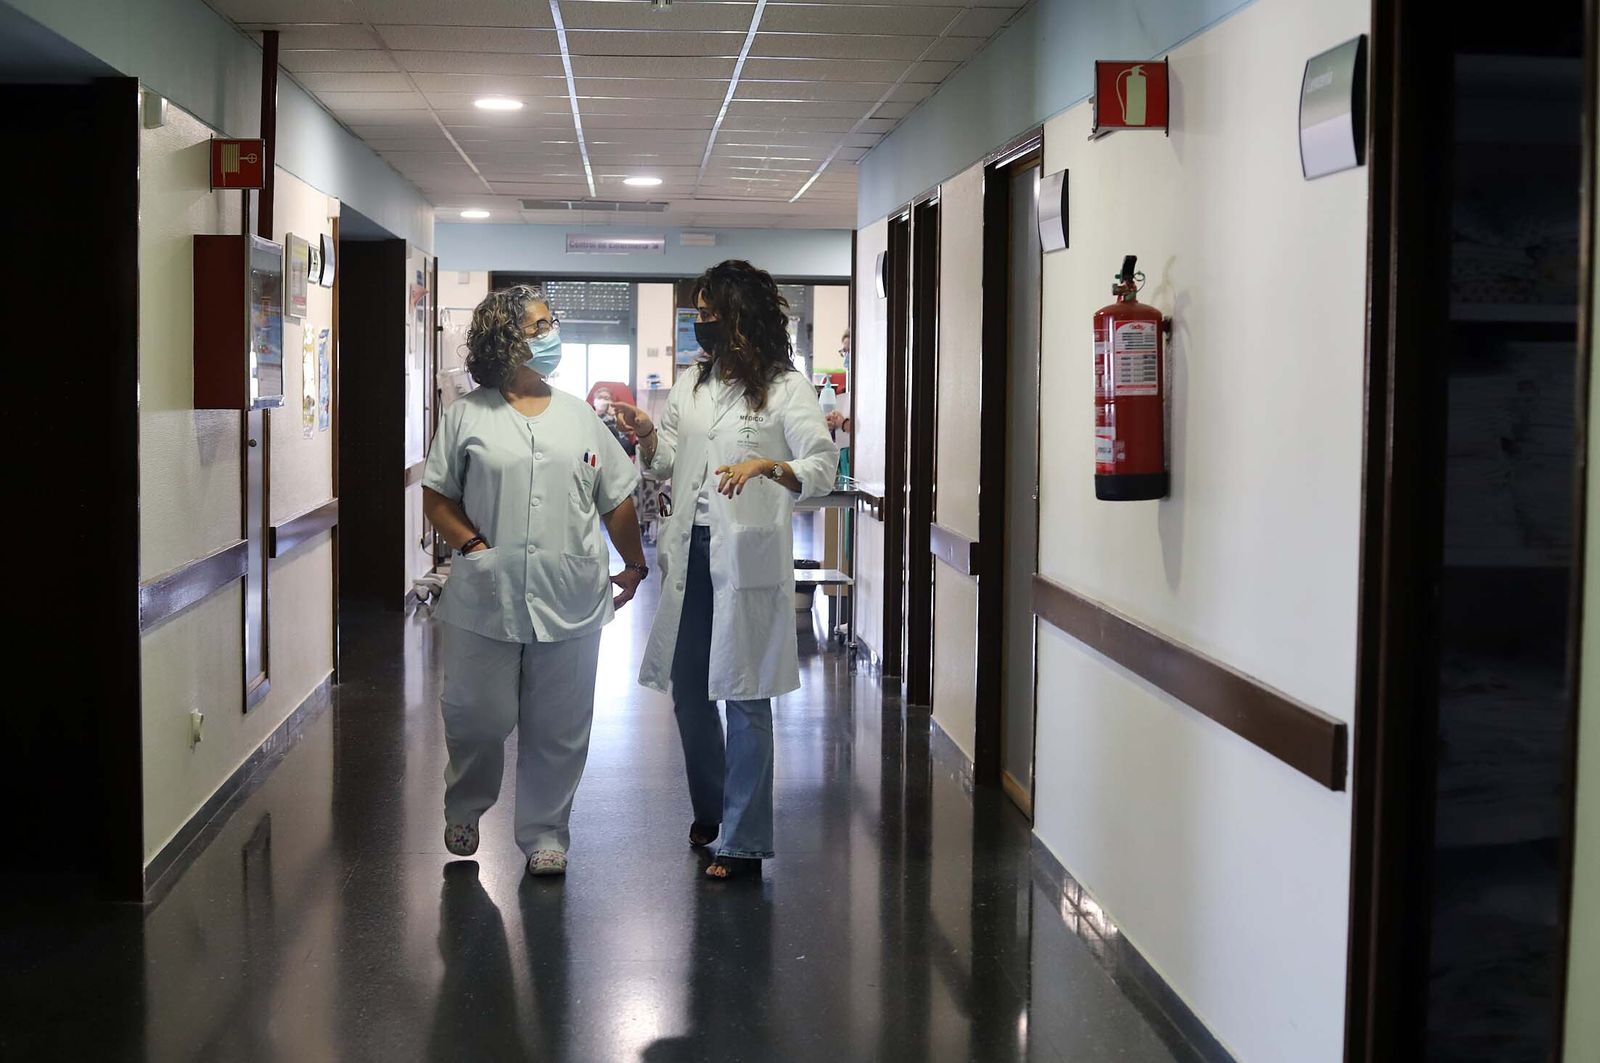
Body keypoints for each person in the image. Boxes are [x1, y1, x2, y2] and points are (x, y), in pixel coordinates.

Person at [612, 261, 839, 881]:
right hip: (690, 552)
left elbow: (821, 465)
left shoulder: (785, 387)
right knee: (689, 692)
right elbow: (666, 462)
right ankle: (711, 810)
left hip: (745, 558)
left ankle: (743, 838)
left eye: (712, 314)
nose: (702, 323)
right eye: (700, 313)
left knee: (745, 693)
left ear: (744, 318)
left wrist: (770, 466)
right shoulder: (692, 383)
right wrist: (647, 434)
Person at [421, 285, 649, 877]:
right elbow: (438, 496)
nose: (552, 335)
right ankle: (466, 803)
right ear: (506, 338)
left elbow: (616, 499)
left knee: (559, 726)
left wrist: (634, 564)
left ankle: (547, 834)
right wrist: (472, 545)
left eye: (552, 323)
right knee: (476, 716)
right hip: (485, 594)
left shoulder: (580, 417)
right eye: (540, 325)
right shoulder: (467, 415)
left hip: (570, 593)